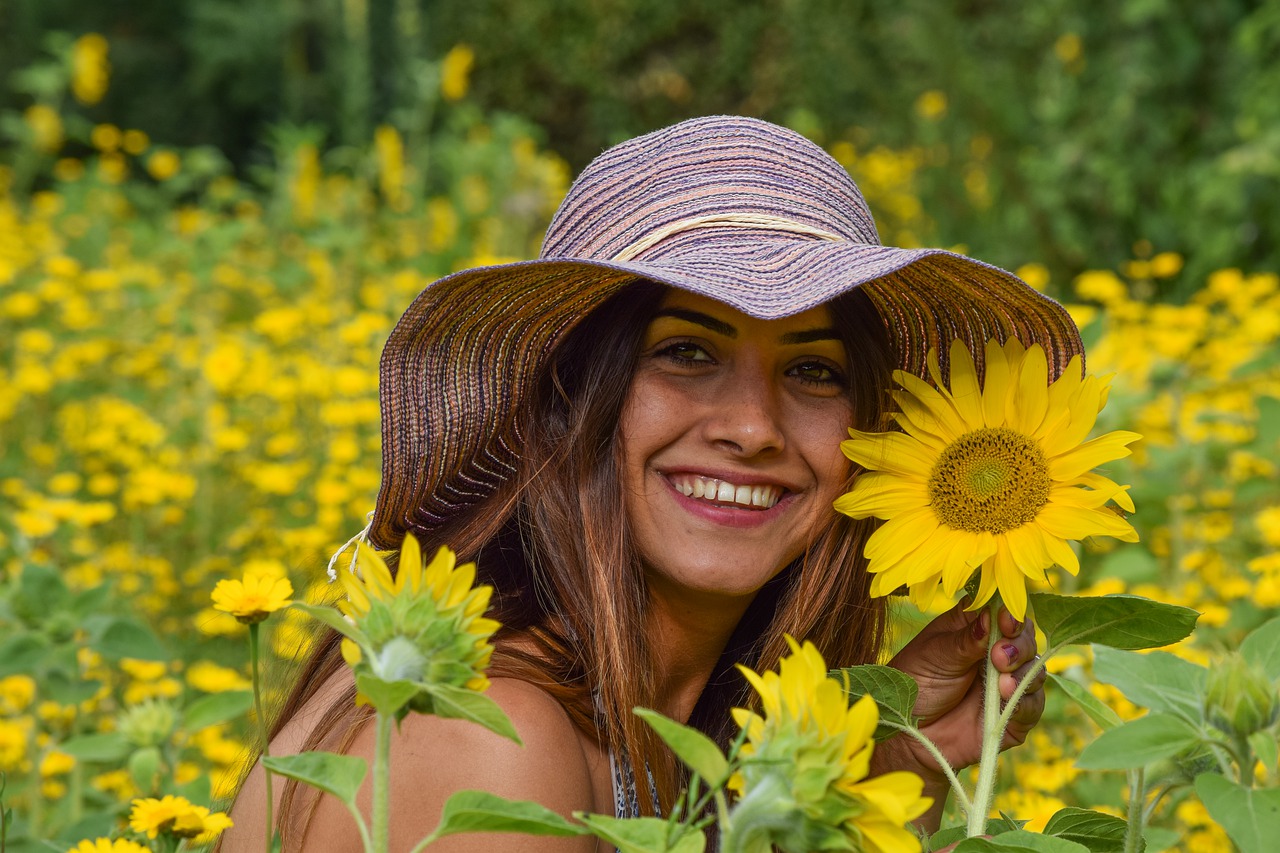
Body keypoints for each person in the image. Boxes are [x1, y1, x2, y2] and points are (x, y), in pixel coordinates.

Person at [222, 115, 1078, 851]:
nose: (751, 426)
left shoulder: (653, 722)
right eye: (686, 352)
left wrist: (879, 768)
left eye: (816, 369)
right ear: (568, 399)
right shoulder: (488, 735)